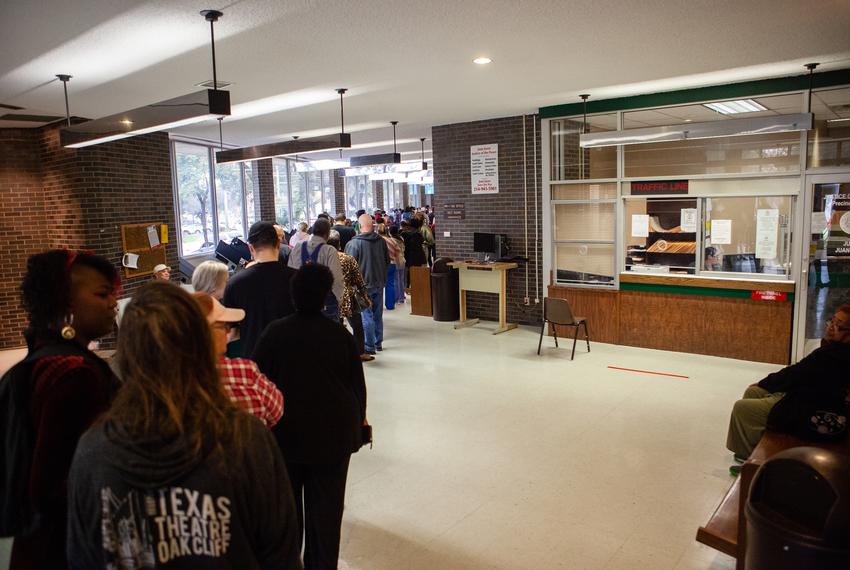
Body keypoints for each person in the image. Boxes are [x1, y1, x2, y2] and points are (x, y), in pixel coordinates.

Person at [67, 282, 302, 568]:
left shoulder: (93, 453)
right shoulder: (246, 438)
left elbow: (83, 558)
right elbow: (281, 553)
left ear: (127, 355)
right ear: (201, 347)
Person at [10, 250, 120, 570]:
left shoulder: (47, 358)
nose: (114, 302)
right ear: (67, 301)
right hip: (64, 548)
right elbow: (51, 485)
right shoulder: (75, 374)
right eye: (102, 294)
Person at [252, 264, 367, 570]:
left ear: (293, 296)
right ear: (324, 297)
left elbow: (257, 381)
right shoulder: (340, 336)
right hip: (334, 437)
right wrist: (360, 426)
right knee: (327, 515)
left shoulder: (275, 333)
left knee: (287, 514)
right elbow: (358, 388)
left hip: (285, 435)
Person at [726, 304, 850, 462]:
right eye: (832, 321)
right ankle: (755, 447)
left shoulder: (834, 356)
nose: (831, 327)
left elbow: (795, 374)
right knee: (753, 392)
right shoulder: (832, 349)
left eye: (838, 326)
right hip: (808, 396)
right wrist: (765, 384)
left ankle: (750, 461)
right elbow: (798, 373)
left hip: (814, 410)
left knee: (742, 408)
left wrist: (765, 383)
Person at [194, 292, 284, 427]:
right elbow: (276, 411)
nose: (228, 332)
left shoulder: (167, 381)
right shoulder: (245, 373)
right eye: (223, 326)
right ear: (207, 333)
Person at [223, 221, 296, 357]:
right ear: (278, 244)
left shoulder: (235, 283)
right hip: (290, 356)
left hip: (254, 359)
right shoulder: (297, 278)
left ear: (250, 248)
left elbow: (232, 332)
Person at [345, 214, 390, 354]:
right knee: (377, 314)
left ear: (359, 226)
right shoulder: (381, 241)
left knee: (366, 315)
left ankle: (369, 346)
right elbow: (387, 261)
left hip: (362, 286)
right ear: (373, 225)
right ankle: (378, 342)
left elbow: (349, 267)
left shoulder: (353, 244)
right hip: (379, 282)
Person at [287, 218, 344, 321]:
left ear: (312, 231)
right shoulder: (329, 250)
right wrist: (339, 298)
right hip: (325, 301)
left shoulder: (298, 247)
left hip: (302, 300)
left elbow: (291, 273)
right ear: (327, 234)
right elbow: (336, 278)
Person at [328, 231, 372, 362]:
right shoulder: (348, 258)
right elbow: (358, 280)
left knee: (336, 327)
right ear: (339, 244)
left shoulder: (323, 259)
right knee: (357, 325)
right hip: (347, 295)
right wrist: (365, 296)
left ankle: (337, 353)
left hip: (330, 296)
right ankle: (360, 352)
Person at [377, 223, 401, 310]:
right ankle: (390, 305)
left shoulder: (376, 241)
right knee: (390, 284)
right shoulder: (392, 240)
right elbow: (398, 252)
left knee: (378, 285)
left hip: (379, 265)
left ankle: (378, 306)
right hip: (392, 263)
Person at [400, 218, 426, 288]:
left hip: (407, 255)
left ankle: (407, 287)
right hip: (417, 256)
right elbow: (421, 244)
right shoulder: (418, 234)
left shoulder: (403, 234)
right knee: (416, 273)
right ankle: (416, 288)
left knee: (407, 273)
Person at [389, 225, 406, 304]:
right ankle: (402, 297)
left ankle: (397, 298)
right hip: (402, 260)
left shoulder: (391, 240)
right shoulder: (401, 239)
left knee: (396, 280)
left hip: (395, 261)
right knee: (401, 280)